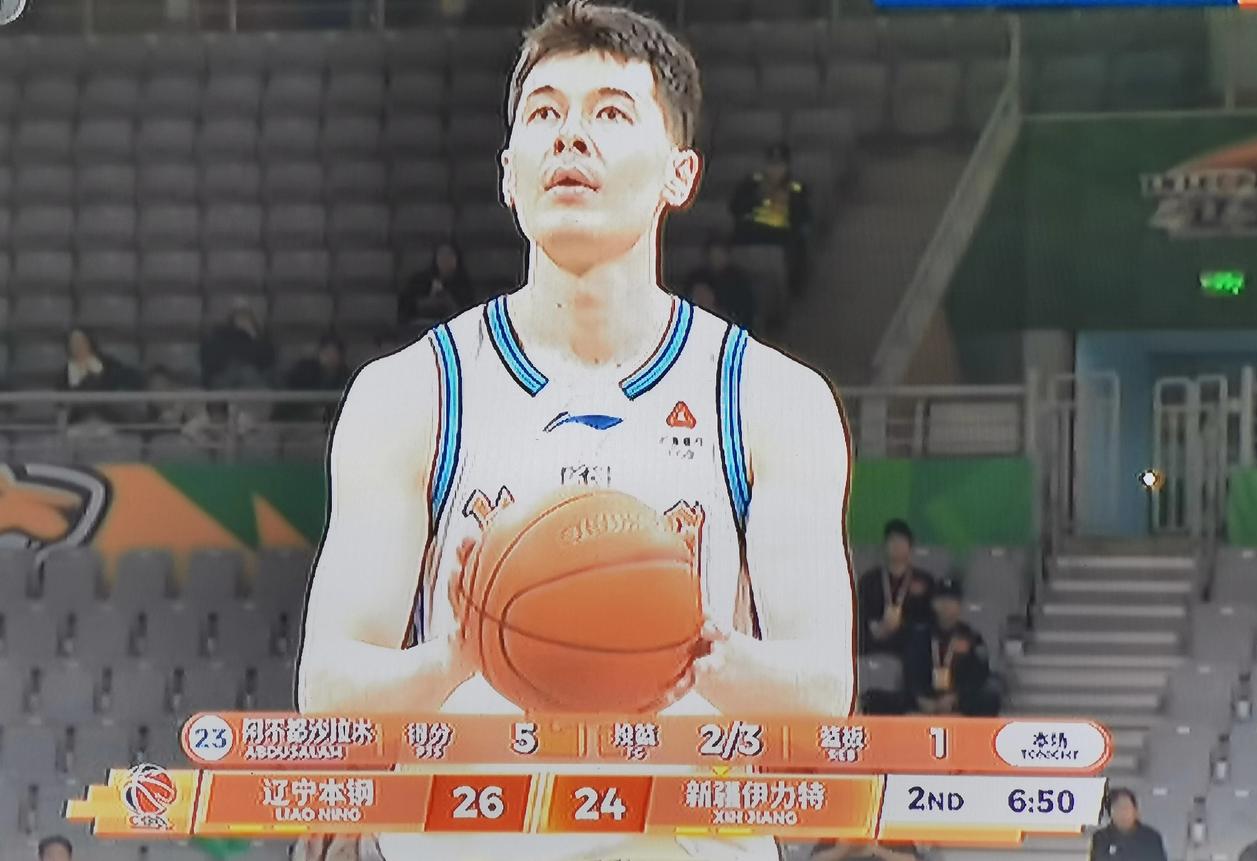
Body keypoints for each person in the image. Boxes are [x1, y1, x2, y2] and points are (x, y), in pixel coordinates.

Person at [295, 3, 856, 860]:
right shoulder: (410, 393)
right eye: (545, 113)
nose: (570, 136)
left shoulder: (771, 400)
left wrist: (704, 653)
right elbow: (328, 691)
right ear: (508, 173)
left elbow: (822, 695)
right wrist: (457, 655)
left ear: (680, 174)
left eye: (611, 113)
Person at [903, 577, 1000, 717]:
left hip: (958, 700)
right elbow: (910, 671)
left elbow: (979, 674)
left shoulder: (971, 637)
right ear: (933, 604)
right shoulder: (920, 636)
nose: (946, 605)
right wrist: (921, 698)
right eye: (942, 600)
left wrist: (956, 697)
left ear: (959, 606)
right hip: (927, 697)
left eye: (951, 601)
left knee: (990, 697)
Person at [730, 142, 812, 295]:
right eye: (771, 165)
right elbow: (735, 208)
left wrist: (788, 201)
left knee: (796, 245)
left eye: (779, 165)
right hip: (752, 234)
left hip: (781, 236)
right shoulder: (752, 183)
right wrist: (758, 198)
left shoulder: (796, 188)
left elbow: (804, 217)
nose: (775, 170)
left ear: (787, 167)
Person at [857, 519, 936, 657]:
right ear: (884, 546)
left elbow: (929, 619)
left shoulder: (925, 581)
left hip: (907, 643)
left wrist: (901, 625)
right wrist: (878, 628)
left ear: (910, 547)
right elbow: (860, 614)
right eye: (892, 541)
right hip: (874, 640)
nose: (897, 545)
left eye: (901, 541)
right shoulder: (869, 580)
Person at [58, 328, 141, 427]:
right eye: (73, 344)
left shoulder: (110, 365)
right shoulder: (66, 374)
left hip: (112, 423)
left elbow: (134, 382)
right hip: (80, 424)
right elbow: (62, 405)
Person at [274, 333, 351, 423]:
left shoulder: (347, 376)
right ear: (319, 353)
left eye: (335, 354)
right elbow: (293, 397)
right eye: (327, 353)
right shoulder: (304, 371)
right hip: (301, 419)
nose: (330, 357)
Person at [398, 241, 475, 329]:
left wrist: (448, 301)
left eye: (449, 255)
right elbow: (405, 305)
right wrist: (425, 303)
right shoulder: (420, 280)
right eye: (442, 255)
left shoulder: (463, 285)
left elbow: (467, 313)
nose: (445, 259)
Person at [200, 302, 276, 390]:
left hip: (251, 381)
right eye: (240, 315)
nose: (243, 320)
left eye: (246, 316)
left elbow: (268, 361)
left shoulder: (259, 340)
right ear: (232, 318)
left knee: (250, 373)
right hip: (224, 378)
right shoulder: (219, 336)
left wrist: (253, 335)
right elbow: (209, 360)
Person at [685, 238, 756, 329]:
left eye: (719, 254)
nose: (716, 258)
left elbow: (746, 310)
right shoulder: (697, 278)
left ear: (727, 255)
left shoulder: (739, 280)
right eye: (712, 254)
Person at [1089, 788, 1168, 861]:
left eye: (1126, 808)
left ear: (1135, 811)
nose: (1123, 813)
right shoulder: (1101, 837)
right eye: (1117, 808)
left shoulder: (1151, 837)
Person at [808, 840, 926, 861]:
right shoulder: (840, 830)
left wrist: (877, 850)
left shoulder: (890, 832)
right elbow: (815, 859)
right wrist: (843, 850)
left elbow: (913, 859)